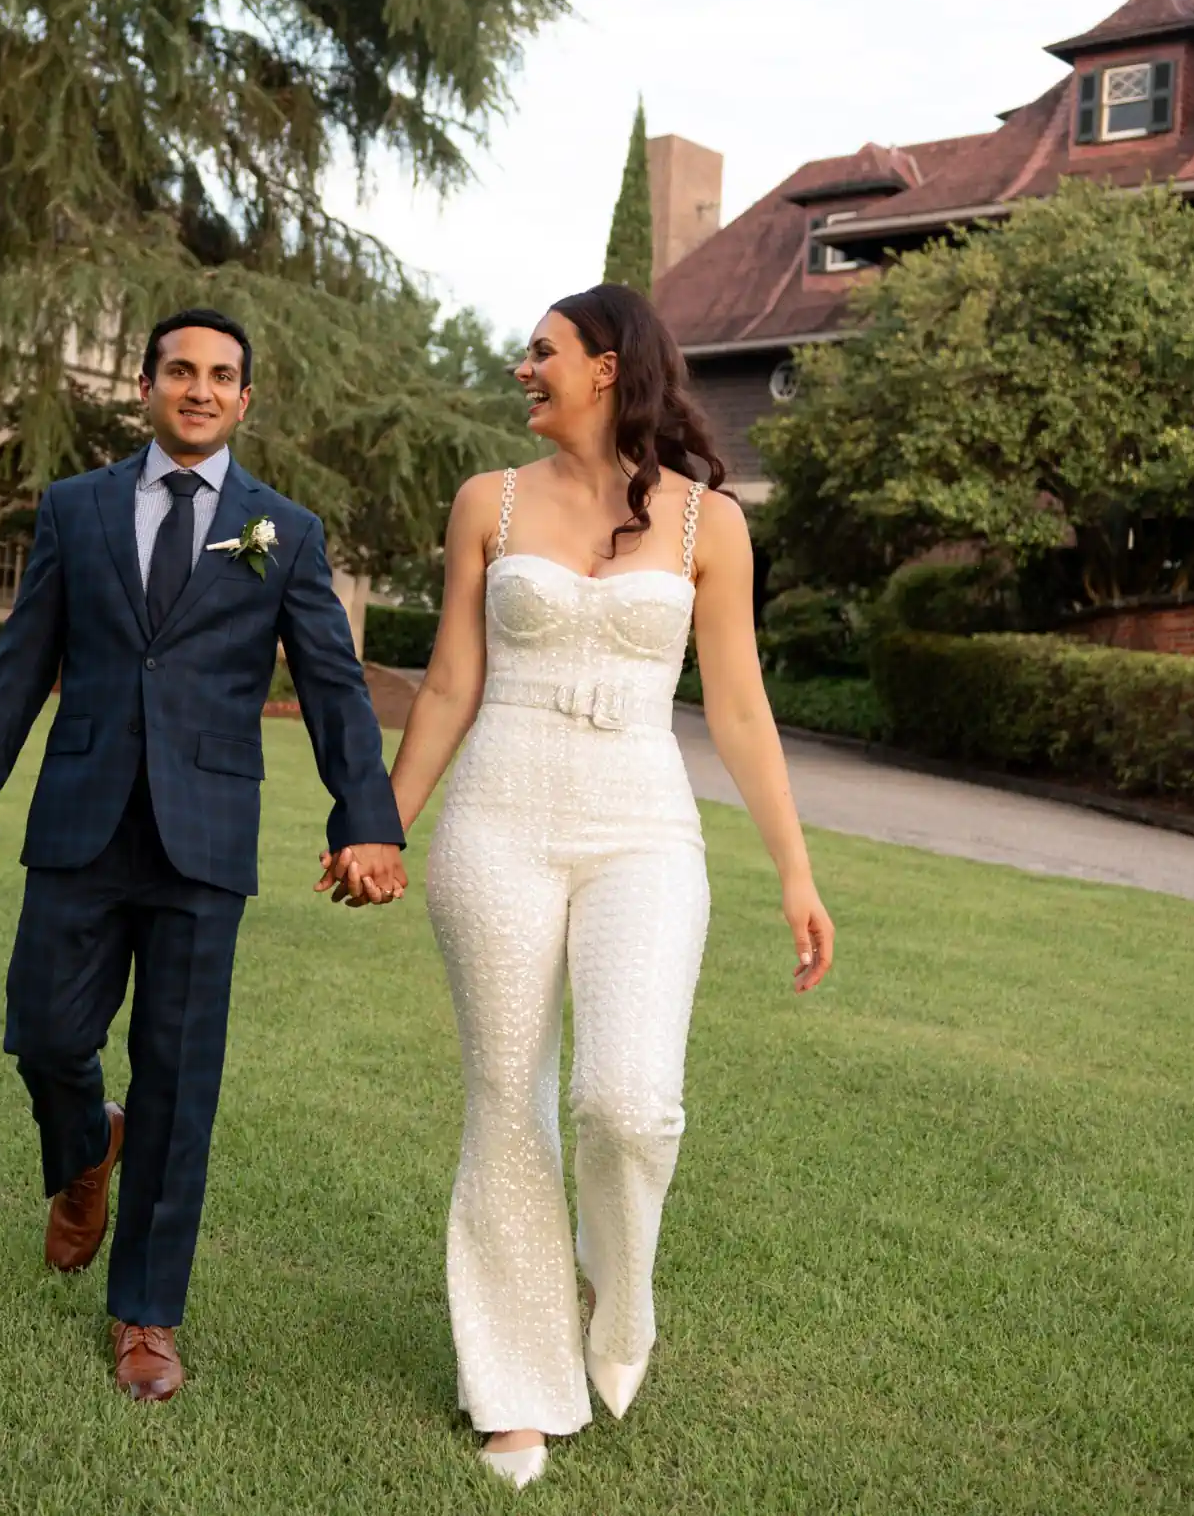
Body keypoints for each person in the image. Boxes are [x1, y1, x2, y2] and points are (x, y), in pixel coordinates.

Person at [383, 283, 834, 1487]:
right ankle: (518, 1387)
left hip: (642, 824)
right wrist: (383, 824)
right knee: (505, 1099)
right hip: (497, 818)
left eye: (543, 351)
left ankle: (616, 1298)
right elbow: (444, 687)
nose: (522, 367)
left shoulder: (707, 526)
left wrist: (794, 871)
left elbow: (737, 706)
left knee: (627, 1102)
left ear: (607, 365)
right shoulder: (487, 502)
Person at [0, 307, 406, 1404]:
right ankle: (86, 1148)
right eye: (180, 371)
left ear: (246, 401)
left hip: (206, 840)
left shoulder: (281, 531)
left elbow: (332, 685)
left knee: (182, 1082)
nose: (199, 388)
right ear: (145, 386)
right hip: (80, 820)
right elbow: (19, 667)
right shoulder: (76, 510)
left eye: (221, 376)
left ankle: (146, 1315)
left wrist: (365, 818)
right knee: (44, 1032)